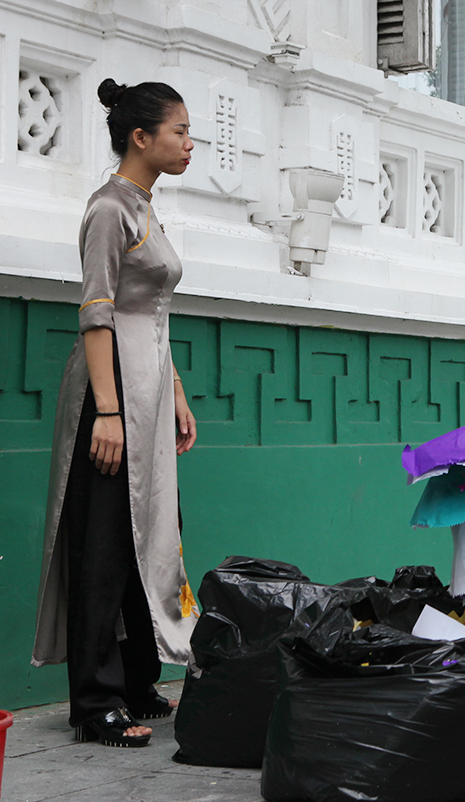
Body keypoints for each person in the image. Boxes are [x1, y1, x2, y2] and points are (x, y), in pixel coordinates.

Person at [31, 78, 200, 748]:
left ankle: (134, 682)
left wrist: (177, 391)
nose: (189, 144)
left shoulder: (145, 207)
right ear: (141, 136)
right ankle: (95, 704)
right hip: (113, 394)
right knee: (102, 543)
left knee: (150, 535)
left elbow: (150, 315)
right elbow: (97, 313)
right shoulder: (110, 209)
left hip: (151, 392)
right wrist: (107, 412)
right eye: (180, 131)